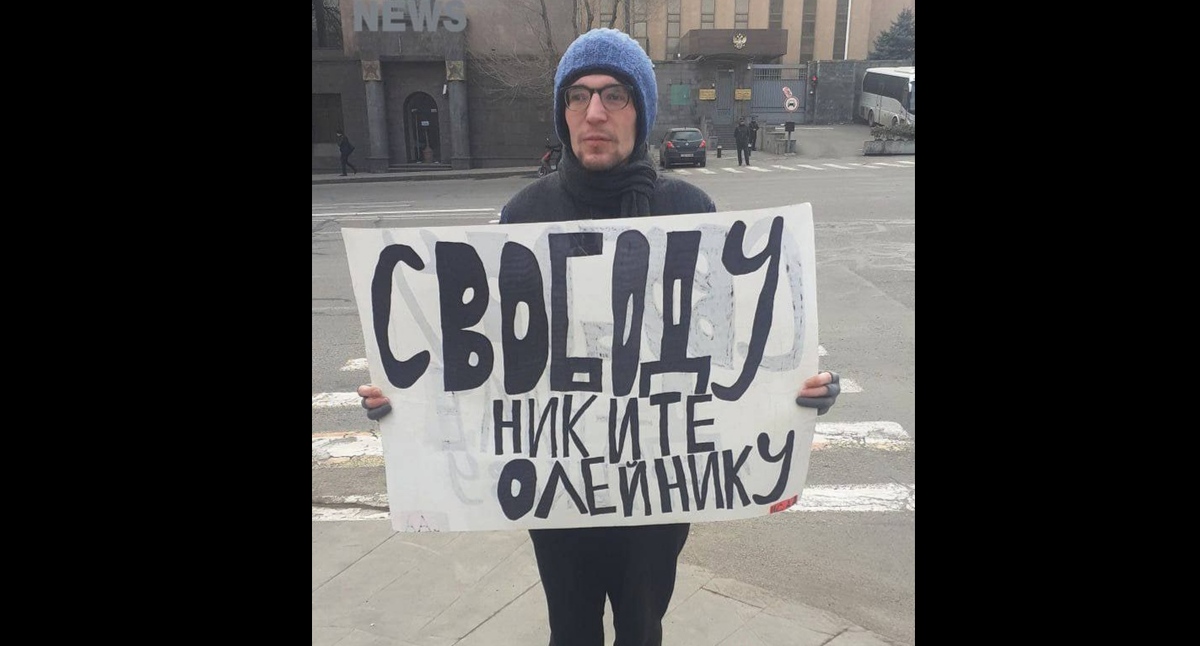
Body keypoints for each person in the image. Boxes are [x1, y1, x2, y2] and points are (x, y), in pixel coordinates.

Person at [356, 27, 840, 646]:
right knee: (571, 632)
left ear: (641, 110)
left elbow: (743, 341)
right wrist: (403, 398)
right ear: (562, 113)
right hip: (557, 492)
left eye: (615, 95)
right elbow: (480, 355)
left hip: (655, 496)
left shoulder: (688, 208)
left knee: (642, 630)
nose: (594, 113)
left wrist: (803, 386)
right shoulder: (522, 217)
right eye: (578, 96)